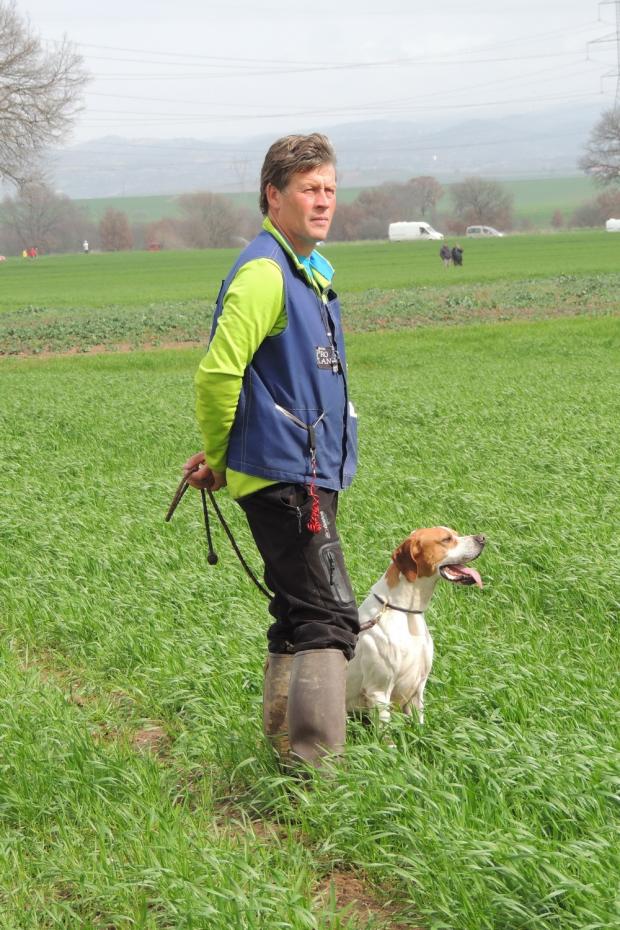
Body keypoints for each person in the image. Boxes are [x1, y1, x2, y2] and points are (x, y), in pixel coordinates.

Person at [182, 134, 359, 769]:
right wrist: (223, 455)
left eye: (330, 189)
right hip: (289, 474)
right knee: (329, 616)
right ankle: (317, 773)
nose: (323, 201)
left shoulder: (308, 273)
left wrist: (228, 456)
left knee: (295, 611)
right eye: (309, 189)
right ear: (273, 196)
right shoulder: (265, 272)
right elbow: (217, 373)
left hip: (296, 469)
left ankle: (286, 754)